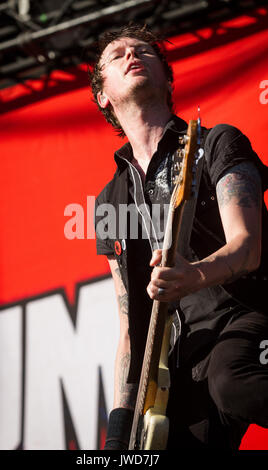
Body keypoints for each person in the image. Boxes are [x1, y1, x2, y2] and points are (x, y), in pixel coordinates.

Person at [90, 24, 268, 449]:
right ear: (103, 96)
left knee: (232, 379)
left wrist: (195, 274)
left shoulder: (216, 143)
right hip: (183, 355)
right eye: (117, 55)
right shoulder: (110, 202)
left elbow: (248, 248)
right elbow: (130, 328)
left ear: (168, 78)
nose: (132, 55)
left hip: (251, 310)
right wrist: (118, 431)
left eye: (143, 51)